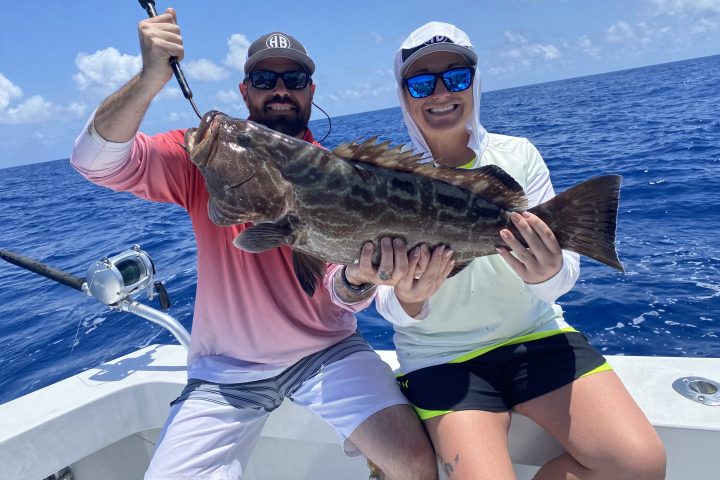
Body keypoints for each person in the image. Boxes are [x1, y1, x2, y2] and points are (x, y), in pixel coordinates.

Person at [70, 8, 437, 480]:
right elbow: (93, 161)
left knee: (414, 463)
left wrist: (358, 279)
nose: (280, 89)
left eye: (294, 78)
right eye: (265, 78)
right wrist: (148, 79)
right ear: (246, 91)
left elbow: (337, 287)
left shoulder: (337, 175)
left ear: (310, 90)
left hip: (328, 351)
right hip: (223, 373)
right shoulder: (203, 155)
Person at [375, 21, 667, 480]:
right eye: (420, 81)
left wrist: (545, 272)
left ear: (475, 82)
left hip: (537, 336)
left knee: (640, 464)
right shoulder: (384, 179)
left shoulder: (519, 154)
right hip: (442, 359)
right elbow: (385, 301)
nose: (439, 93)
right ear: (403, 93)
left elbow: (561, 280)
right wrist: (410, 297)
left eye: (455, 77)